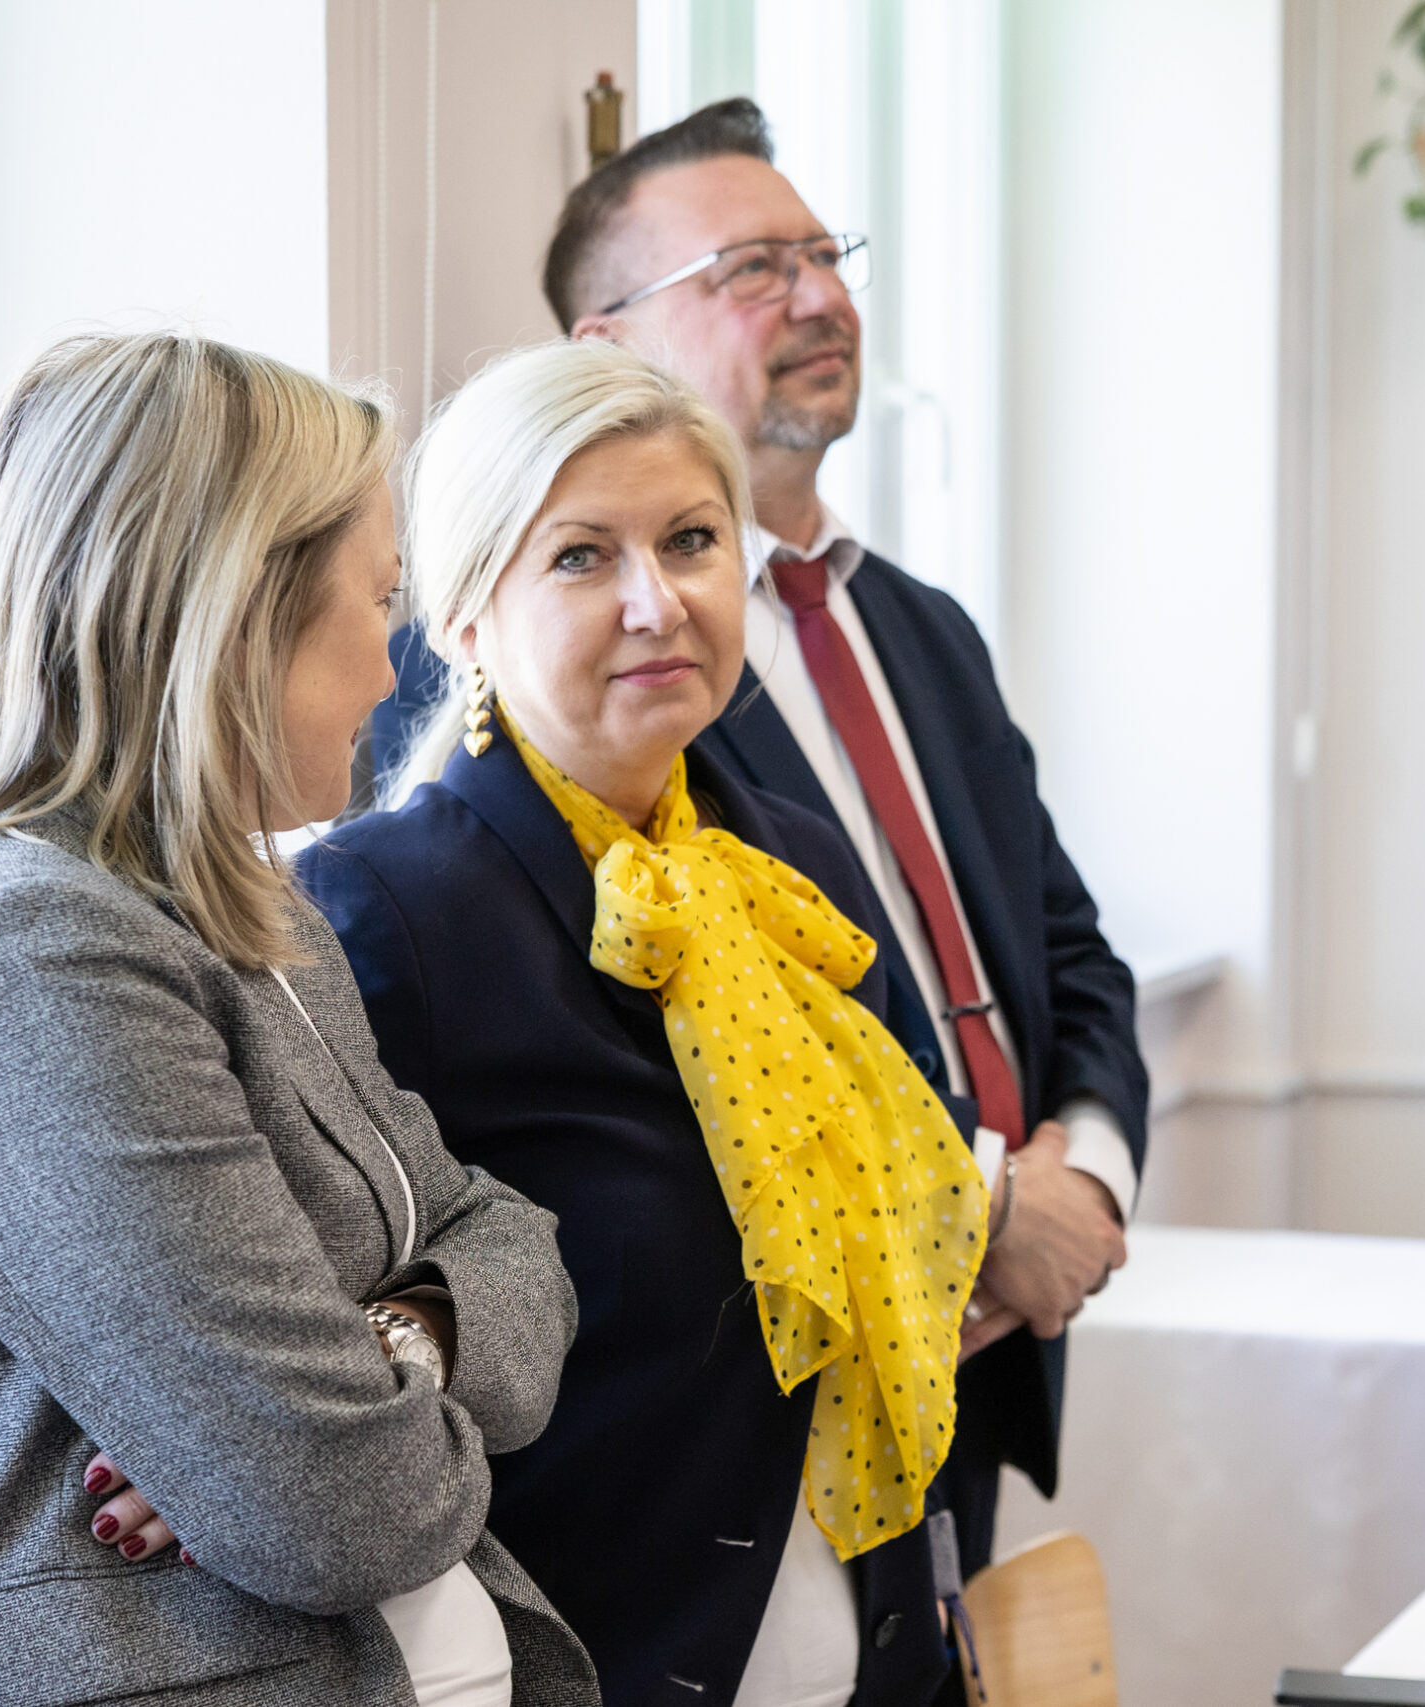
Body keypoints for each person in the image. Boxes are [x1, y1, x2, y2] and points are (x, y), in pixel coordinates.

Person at [0, 332, 597, 1706]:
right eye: (378, 600)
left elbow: (513, 1243)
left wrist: (390, 1347)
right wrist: (333, 1413)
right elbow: (341, 1505)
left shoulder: (243, 911)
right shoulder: (26, 953)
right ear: (236, 614)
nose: (394, 664)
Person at [305, 339, 998, 1706]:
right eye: (580, 556)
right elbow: (331, 1327)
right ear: (463, 619)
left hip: (873, 1638)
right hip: (586, 1657)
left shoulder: (790, 858)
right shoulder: (385, 907)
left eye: (691, 540)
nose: (657, 601)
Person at [539, 96, 1147, 1584]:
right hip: (771, 1381)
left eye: (827, 255)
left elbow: (1068, 955)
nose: (821, 298)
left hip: (996, 1339)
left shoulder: (922, 629)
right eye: (754, 269)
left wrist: (1088, 1177)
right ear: (608, 347)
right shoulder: (602, 676)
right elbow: (662, 1044)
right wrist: (984, 1205)